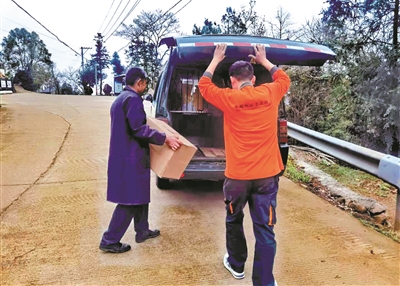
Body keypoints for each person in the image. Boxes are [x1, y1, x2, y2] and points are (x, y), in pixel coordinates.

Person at [198, 44, 290, 286]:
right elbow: (283, 77)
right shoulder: (270, 93)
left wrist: (216, 58)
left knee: (234, 218)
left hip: (238, 178)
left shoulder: (229, 98)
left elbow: (203, 85)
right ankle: (264, 283)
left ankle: (237, 265)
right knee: (265, 231)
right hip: (267, 177)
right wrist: (264, 59)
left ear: (232, 81)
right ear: (253, 78)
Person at [99, 67, 182, 253]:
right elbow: (139, 129)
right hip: (131, 158)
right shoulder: (133, 100)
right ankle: (110, 240)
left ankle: (142, 230)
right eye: (145, 83)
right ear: (139, 82)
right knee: (129, 201)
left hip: (127, 155)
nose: (145, 87)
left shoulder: (121, 99)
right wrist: (165, 137)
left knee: (139, 196)